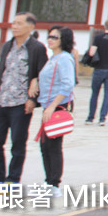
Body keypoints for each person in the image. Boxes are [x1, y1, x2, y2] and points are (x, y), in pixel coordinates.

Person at [0, 12, 48, 194]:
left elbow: (41, 76)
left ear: (30, 27)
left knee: (17, 143)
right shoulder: (7, 46)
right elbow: (2, 73)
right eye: (13, 23)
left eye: (19, 23)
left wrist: (33, 99)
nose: (14, 26)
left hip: (21, 104)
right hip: (1, 101)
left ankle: (13, 179)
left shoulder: (37, 48)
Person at [37, 27, 76, 198]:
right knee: (45, 145)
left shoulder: (64, 59)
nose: (50, 39)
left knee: (52, 145)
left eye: (55, 37)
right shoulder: (53, 58)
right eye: (49, 36)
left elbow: (68, 84)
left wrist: (52, 106)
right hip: (49, 105)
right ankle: (49, 181)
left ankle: (54, 184)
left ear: (63, 39)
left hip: (57, 106)